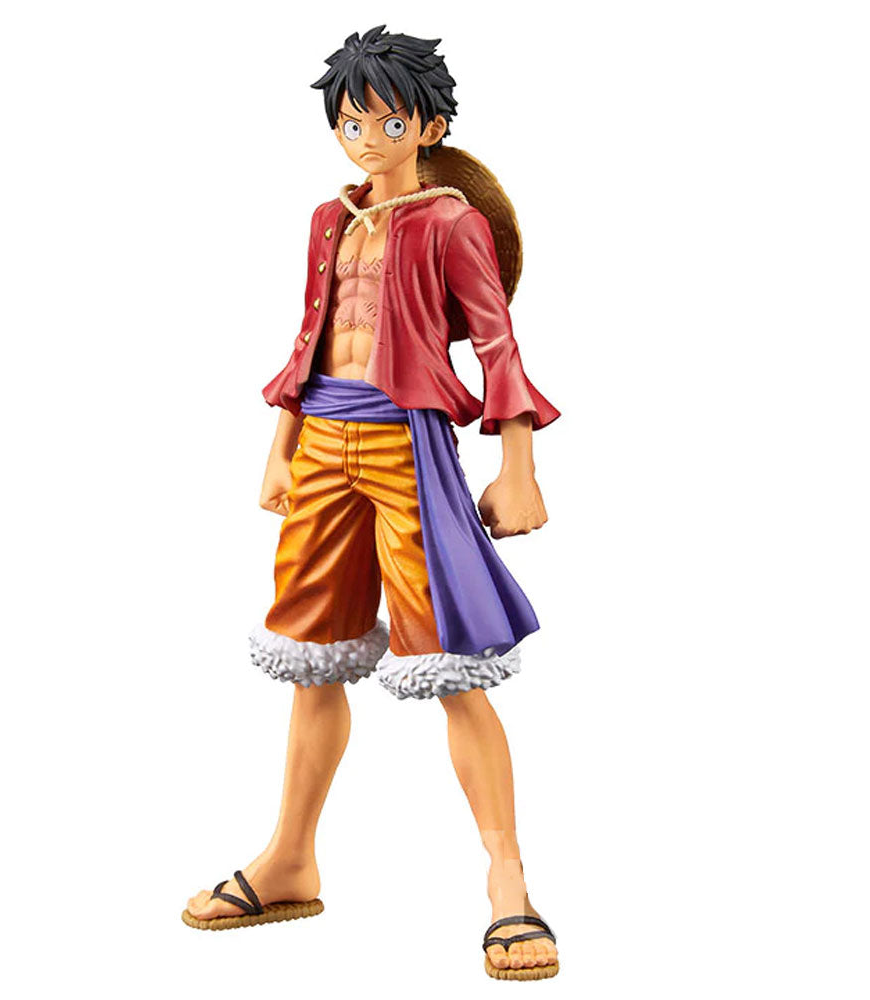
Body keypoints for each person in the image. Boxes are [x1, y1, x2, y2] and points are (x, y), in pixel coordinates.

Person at [184, 26, 561, 981]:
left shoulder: (451, 224)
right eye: (351, 121)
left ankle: (507, 882)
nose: (366, 138)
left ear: (428, 126)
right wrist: (281, 448)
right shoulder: (330, 218)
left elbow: (498, 344)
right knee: (311, 657)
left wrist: (517, 466)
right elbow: (309, 334)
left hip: (405, 451)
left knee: (452, 663)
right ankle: (290, 857)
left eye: (388, 121)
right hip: (322, 444)